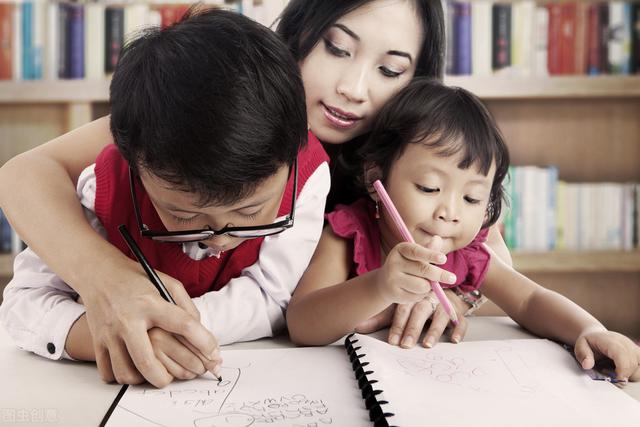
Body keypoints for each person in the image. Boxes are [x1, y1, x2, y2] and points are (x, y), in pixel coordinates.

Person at [0, 0, 509, 384]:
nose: (354, 88)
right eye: (336, 48)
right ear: (299, 32)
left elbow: (486, 256)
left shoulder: (419, 170)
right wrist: (108, 281)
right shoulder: (209, 118)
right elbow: (25, 173)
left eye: (391, 69)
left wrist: (459, 295)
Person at [0, 8, 330, 387]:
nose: (219, 237)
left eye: (251, 209)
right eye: (185, 216)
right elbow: (24, 305)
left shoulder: (306, 177)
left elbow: (272, 296)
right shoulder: (104, 185)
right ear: (135, 168)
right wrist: (112, 335)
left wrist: (163, 328)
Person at [287, 79, 640, 381]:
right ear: (375, 177)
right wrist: (379, 286)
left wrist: (590, 330)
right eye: (428, 187)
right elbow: (302, 324)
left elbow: (530, 299)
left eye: (471, 198)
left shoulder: (466, 253)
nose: (450, 212)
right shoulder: (349, 234)